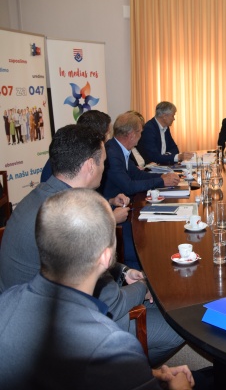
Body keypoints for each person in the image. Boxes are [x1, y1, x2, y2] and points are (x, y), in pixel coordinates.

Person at [0, 124, 184, 366]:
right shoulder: (73, 217)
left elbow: (82, 259)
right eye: (103, 162)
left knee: (162, 304)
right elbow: (113, 303)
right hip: (53, 332)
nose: (105, 168)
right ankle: (132, 371)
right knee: (179, 324)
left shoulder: (43, 198)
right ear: (89, 165)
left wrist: (124, 272)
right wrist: (144, 286)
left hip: (20, 312)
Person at [0, 189, 194, 390]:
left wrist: (150, 374)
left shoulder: (6, 300)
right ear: (106, 258)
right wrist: (178, 386)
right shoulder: (112, 345)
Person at [103, 111, 180, 200]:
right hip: (116, 205)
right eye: (140, 132)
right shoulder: (112, 154)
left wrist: (163, 176)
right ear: (132, 135)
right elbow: (129, 187)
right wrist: (161, 181)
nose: (141, 136)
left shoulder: (118, 148)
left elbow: (137, 175)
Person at [40, 109, 113, 182]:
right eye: (107, 134)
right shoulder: (74, 160)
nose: (109, 139)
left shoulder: (69, 151)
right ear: (97, 136)